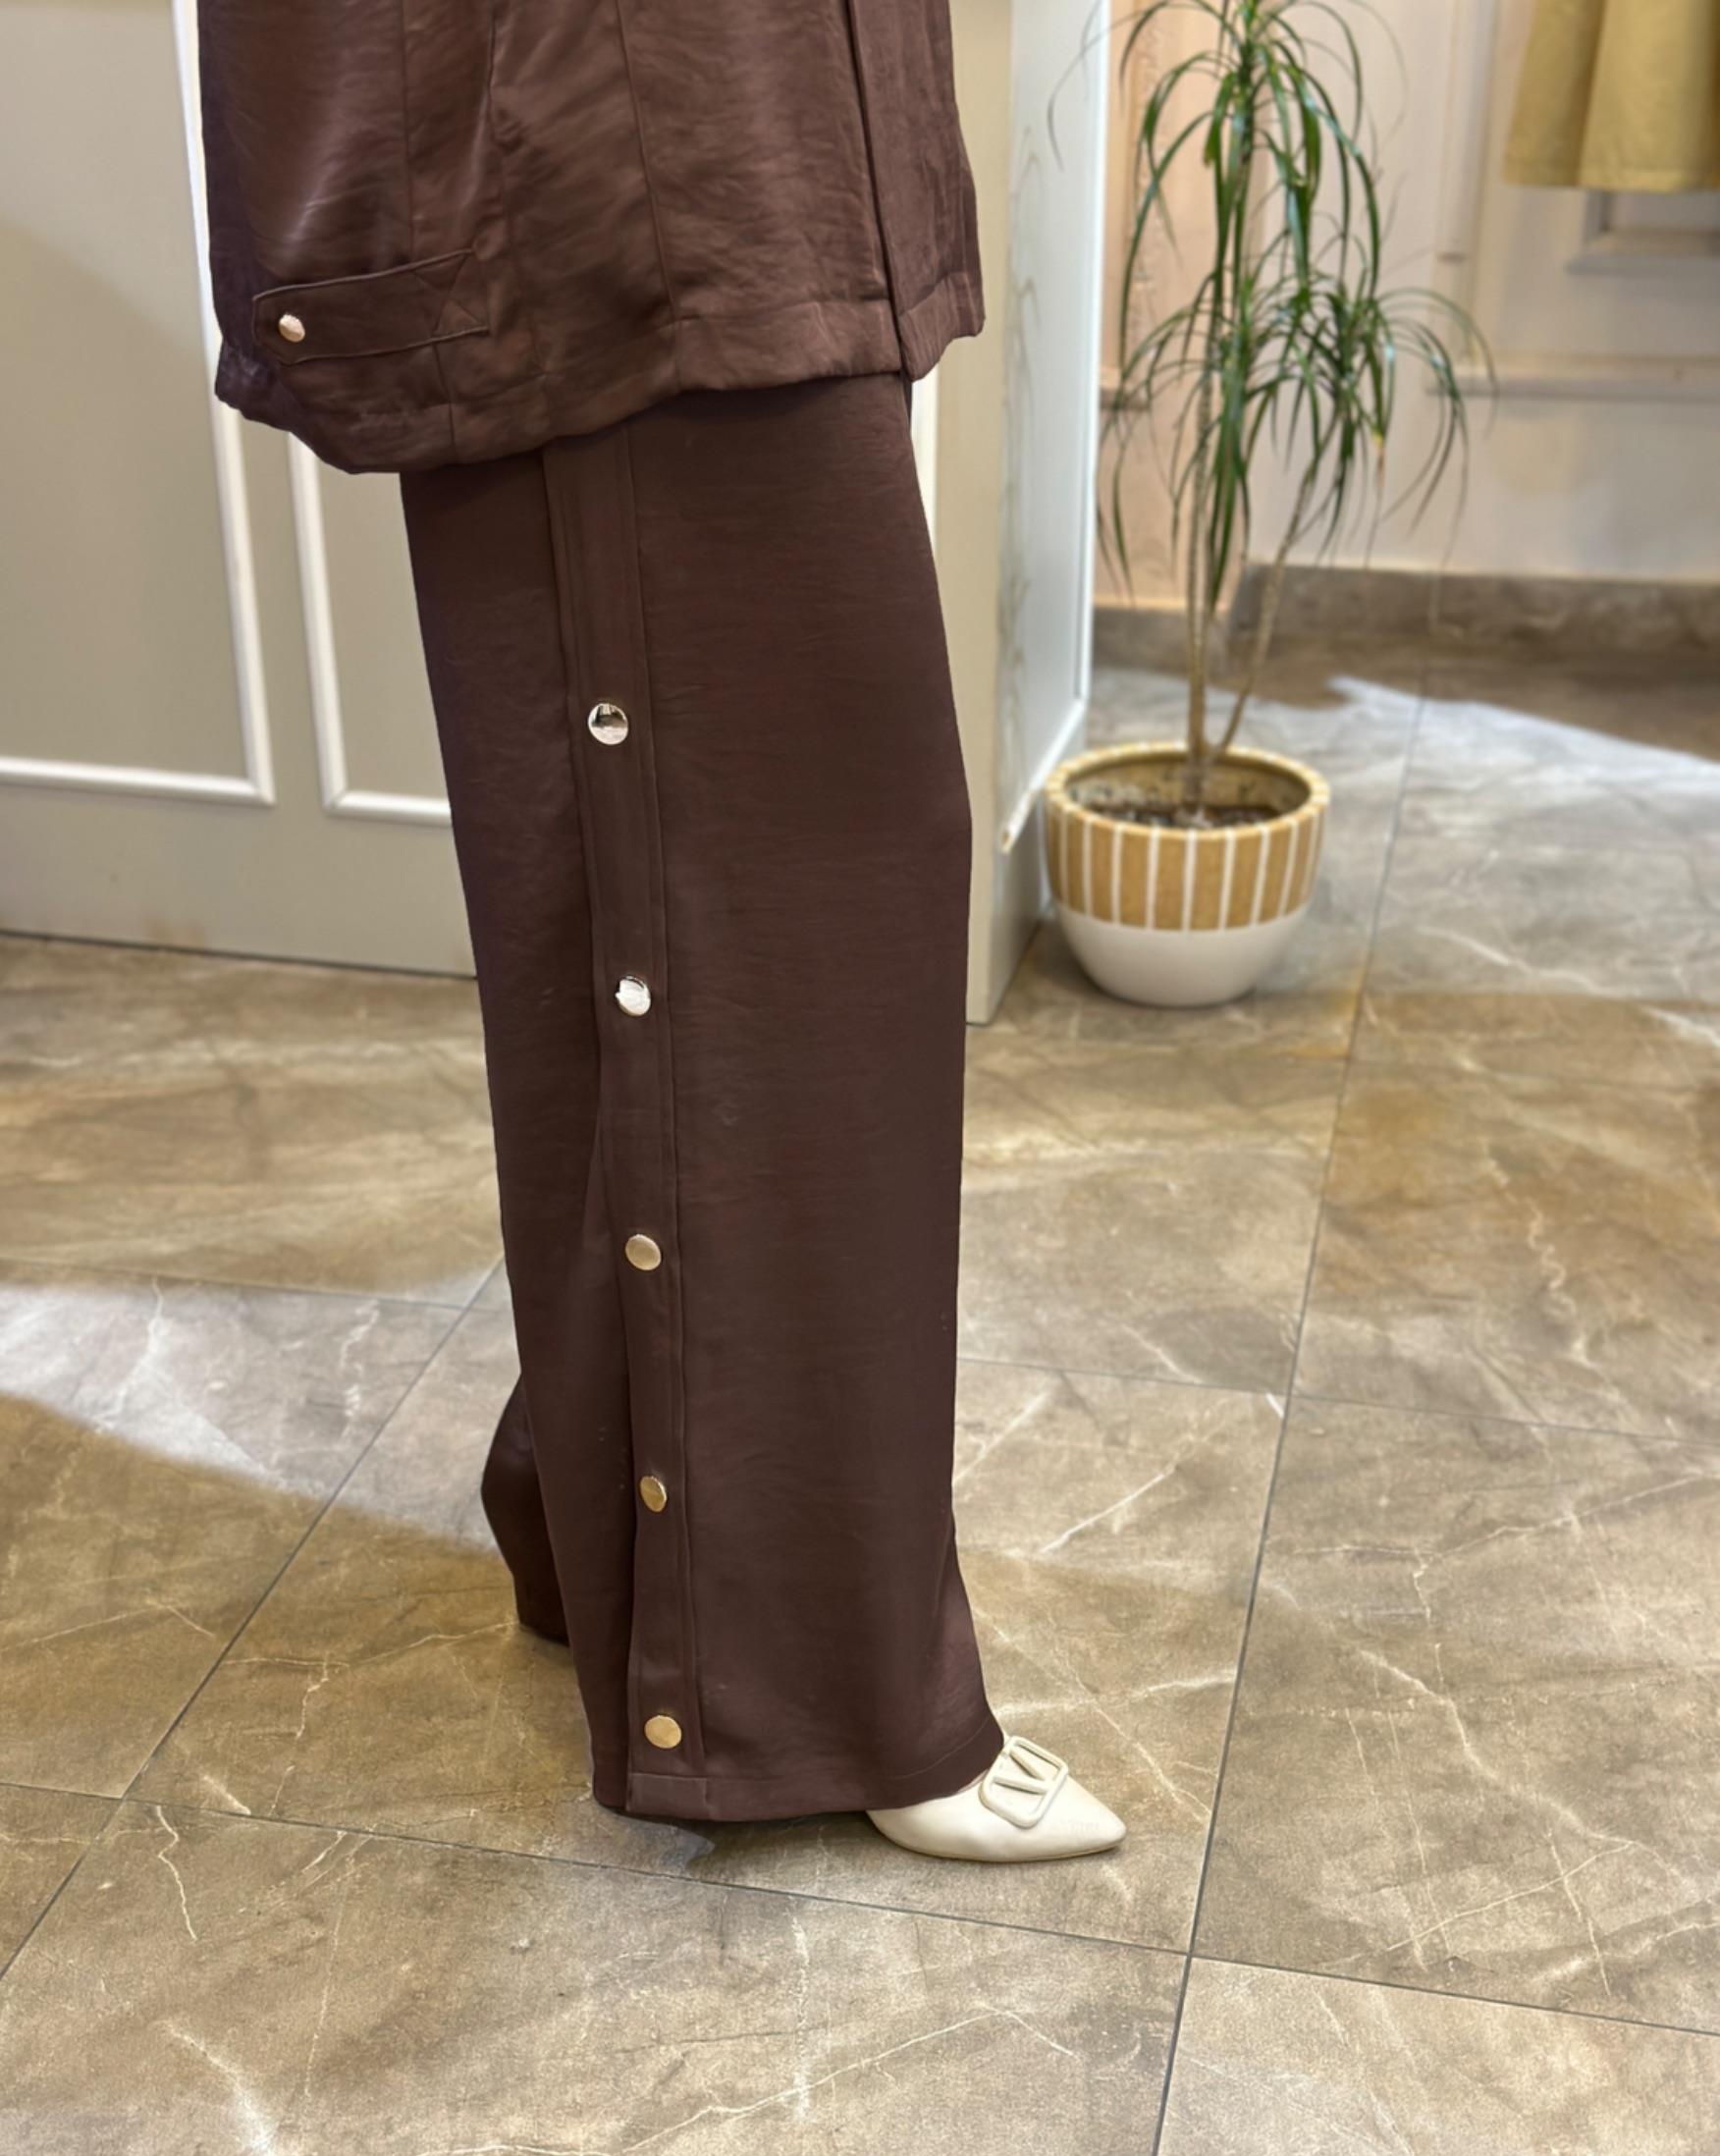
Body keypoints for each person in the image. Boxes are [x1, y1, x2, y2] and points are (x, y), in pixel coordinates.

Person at [194, 0, 1126, 1862]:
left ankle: (614, 1524)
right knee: (779, 925)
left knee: (752, 903)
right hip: (617, 158)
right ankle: (808, 1690)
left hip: (738, 140)